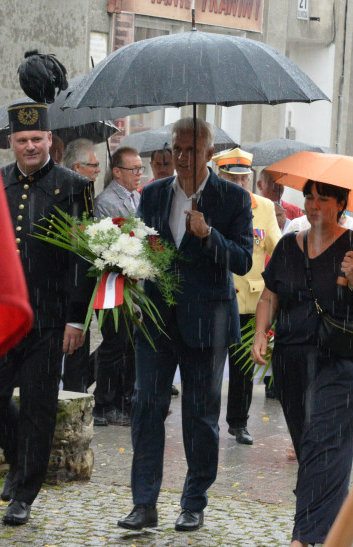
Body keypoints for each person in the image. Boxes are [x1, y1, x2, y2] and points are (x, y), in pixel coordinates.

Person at [117, 118, 253, 533]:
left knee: (200, 416)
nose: (181, 158)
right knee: (146, 408)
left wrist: (208, 234)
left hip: (207, 322)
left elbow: (244, 259)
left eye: (191, 151)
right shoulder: (155, 193)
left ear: (209, 154)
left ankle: (194, 501)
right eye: (176, 149)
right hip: (157, 321)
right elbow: (141, 243)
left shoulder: (233, 199)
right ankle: (144, 504)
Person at [0, 101, 93, 527]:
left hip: (49, 318)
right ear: (11, 143)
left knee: (40, 407)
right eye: (21, 140)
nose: (29, 146)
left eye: (36, 139)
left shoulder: (74, 186)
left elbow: (84, 257)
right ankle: (19, 457)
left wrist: (77, 320)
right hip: (0, 316)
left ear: (49, 141)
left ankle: (24, 493)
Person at [251, 180, 353, 547]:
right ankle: (336, 531)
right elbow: (269, 296)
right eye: (309, 197)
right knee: (313, 450)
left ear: (341, 203)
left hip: (341, 362)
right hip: (292, 364)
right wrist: (261, 333)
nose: (313, 205)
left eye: (323, 199)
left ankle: (303, 538)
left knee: (324, 446)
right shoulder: (287, 247)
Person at [212, 148, 281, 446]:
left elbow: (276, 248)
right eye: (231, 178)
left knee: (243, 367)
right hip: (217, 297)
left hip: (251, 300)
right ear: (219, 177)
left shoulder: (264, 207)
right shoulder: (208, 204)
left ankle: (238, 423)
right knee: (211, 364)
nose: (238, 185)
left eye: (242, 179)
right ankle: (206, 420)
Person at [91, 146, 144, 427]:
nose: (139, 174)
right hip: (113, 282)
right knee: (115, 343)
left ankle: (125, 401)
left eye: (140, 169)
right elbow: (107, 244)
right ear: (117, 172)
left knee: (130, 345)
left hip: (135, 282)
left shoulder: (137, 196)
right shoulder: (107, 202)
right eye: (133, 169)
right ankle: (103, 404)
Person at [60, 137, 101, 393]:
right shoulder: (71, 195)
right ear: (77, 167)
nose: (98, 169)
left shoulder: (86, 192)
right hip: (61, 290)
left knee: (75, 361)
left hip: (77, 293)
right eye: (93, 165)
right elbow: (79, 254)